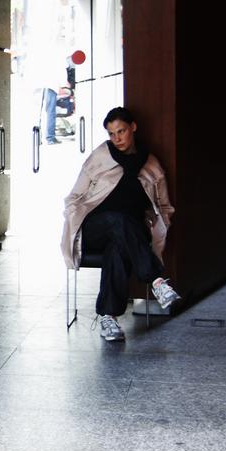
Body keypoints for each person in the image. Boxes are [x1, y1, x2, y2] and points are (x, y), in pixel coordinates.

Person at [60, 107, 181, 341]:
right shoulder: (101, 156)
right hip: (94, 228)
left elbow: (164, 207)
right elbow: (73, 197)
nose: (117, 139)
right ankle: (156, 280)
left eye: (121, 131)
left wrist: (159, 229)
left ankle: (109, 319)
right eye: (111, 134)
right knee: (117, 219)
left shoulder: (151, 165)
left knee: (117, 248)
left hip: (128, 234)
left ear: (133, 127)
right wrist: (74, 218)